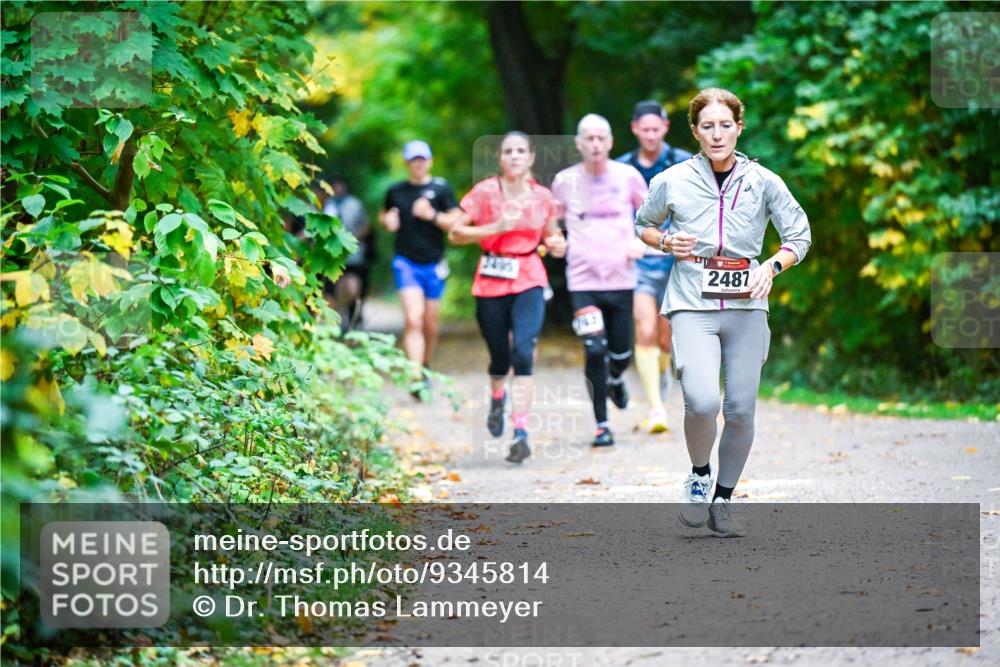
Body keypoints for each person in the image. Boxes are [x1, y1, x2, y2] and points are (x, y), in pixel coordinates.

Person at [635, 88, 811, 537]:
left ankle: (724, 498)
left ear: (739, 127)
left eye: (725, 125)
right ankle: (698, 474)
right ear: (694, 131)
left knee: (741, 410)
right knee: (703, 400)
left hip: (747, 305)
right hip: (693, 300)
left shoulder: (764, 180)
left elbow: (799, 235)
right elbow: (644, 225)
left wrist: (772, 266)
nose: (717, 135)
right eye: (707, 126)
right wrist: (664, 242)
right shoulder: (671, 179)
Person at [448, 132, 567, 463]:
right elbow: (455, 232)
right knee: (500, 357)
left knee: (523, 351)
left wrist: (558, 244)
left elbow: (552, 235)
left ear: (530, 158)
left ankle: (521, 432)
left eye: (521, 151)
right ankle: (498, 397)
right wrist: (495, 227)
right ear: (500, 159)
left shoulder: (543, 197)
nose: (515, 156)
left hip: (529, 275)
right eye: (508, 151)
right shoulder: (485, 192)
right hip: (490, 281)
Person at [552, 114, 648, 448]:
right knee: (594, 349)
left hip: (621, 278)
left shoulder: (628, 177)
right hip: (583, 281)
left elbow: (651, 216)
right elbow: (551, 222)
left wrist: (643, 242)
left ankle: (617, 378)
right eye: (588, 139)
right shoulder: (565, 181)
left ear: (610, 142)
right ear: (579, 144)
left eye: (600, 138)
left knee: (621, 352)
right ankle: (602, 424)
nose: (594, 144)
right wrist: (555, 240)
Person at [617, 100, 693, 434]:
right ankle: (656, 408)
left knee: (666, 337)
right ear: (635, 129)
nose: (649, 135)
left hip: (676, 260)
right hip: (640, 262)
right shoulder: (621, 168)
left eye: (655, 129)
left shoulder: (685, 162)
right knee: (644, 327)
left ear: (665, 127)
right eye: (643, 130)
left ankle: (662, 374)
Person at [380, 141, 461, 392]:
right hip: (406, 262)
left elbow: (457, 221)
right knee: (413, 319)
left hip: (434, 264)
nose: (418, 164)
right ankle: (416, 377)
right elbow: (384, 215)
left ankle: (425, 364)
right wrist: (388, 221)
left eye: (422, 159)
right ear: (406, 163)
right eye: (413, 159)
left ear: (430, 161)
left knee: (430, 323)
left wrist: (432, 216)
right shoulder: (396, 191)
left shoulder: (441, 188)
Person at [324, 176, 371, 331]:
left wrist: (353, 238)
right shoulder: (326, 204)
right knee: (332, 291)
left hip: (353, 256)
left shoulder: (354, 204)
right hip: (330, 256)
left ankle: (353, 318)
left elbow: (366, 226)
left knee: (353, 289)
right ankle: (336, 321)